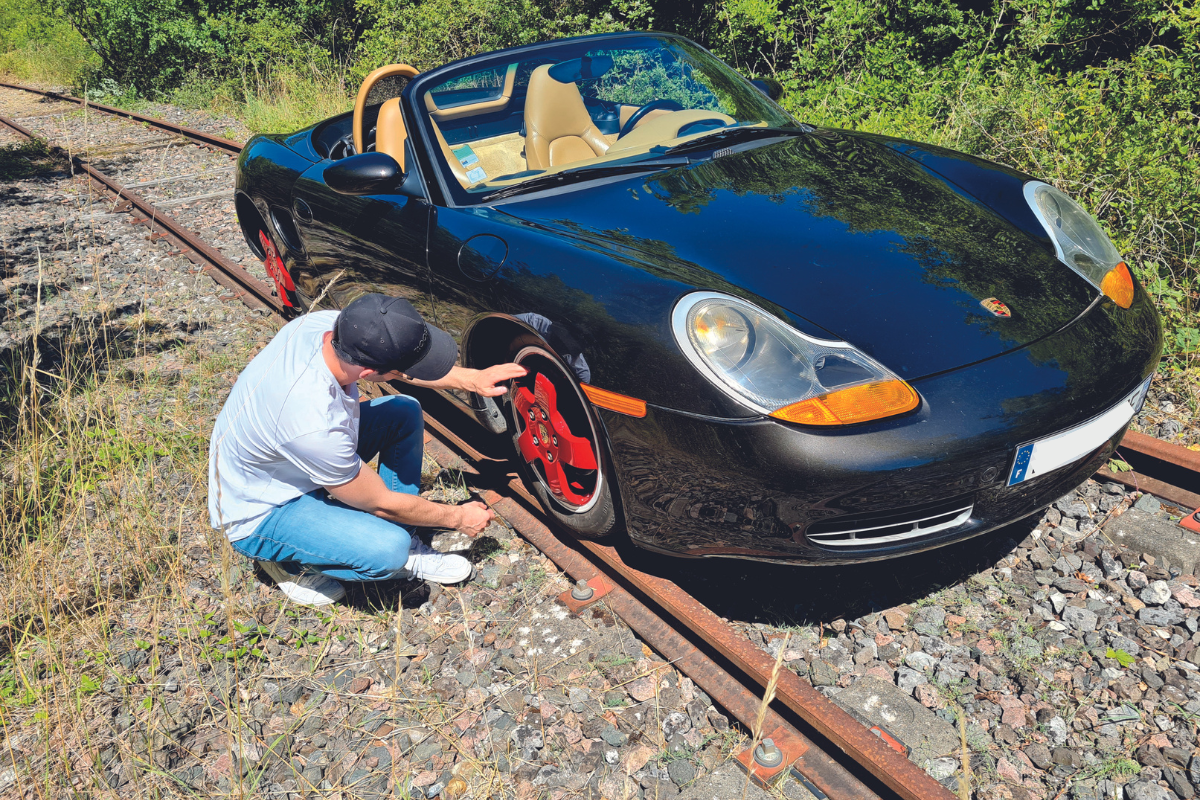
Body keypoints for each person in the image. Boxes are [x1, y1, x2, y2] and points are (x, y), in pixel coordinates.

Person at [207, 293, 525, 606]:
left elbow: (399, 367)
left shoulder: (328, 329)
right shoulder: (313, 421)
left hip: (283, 462)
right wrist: (457, 517)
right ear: (369, 374)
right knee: (389, 549)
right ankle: (289, 561)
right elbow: (382, 502)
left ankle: (392, 531)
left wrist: (470, 378)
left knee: (403, 412)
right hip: (262, 510)